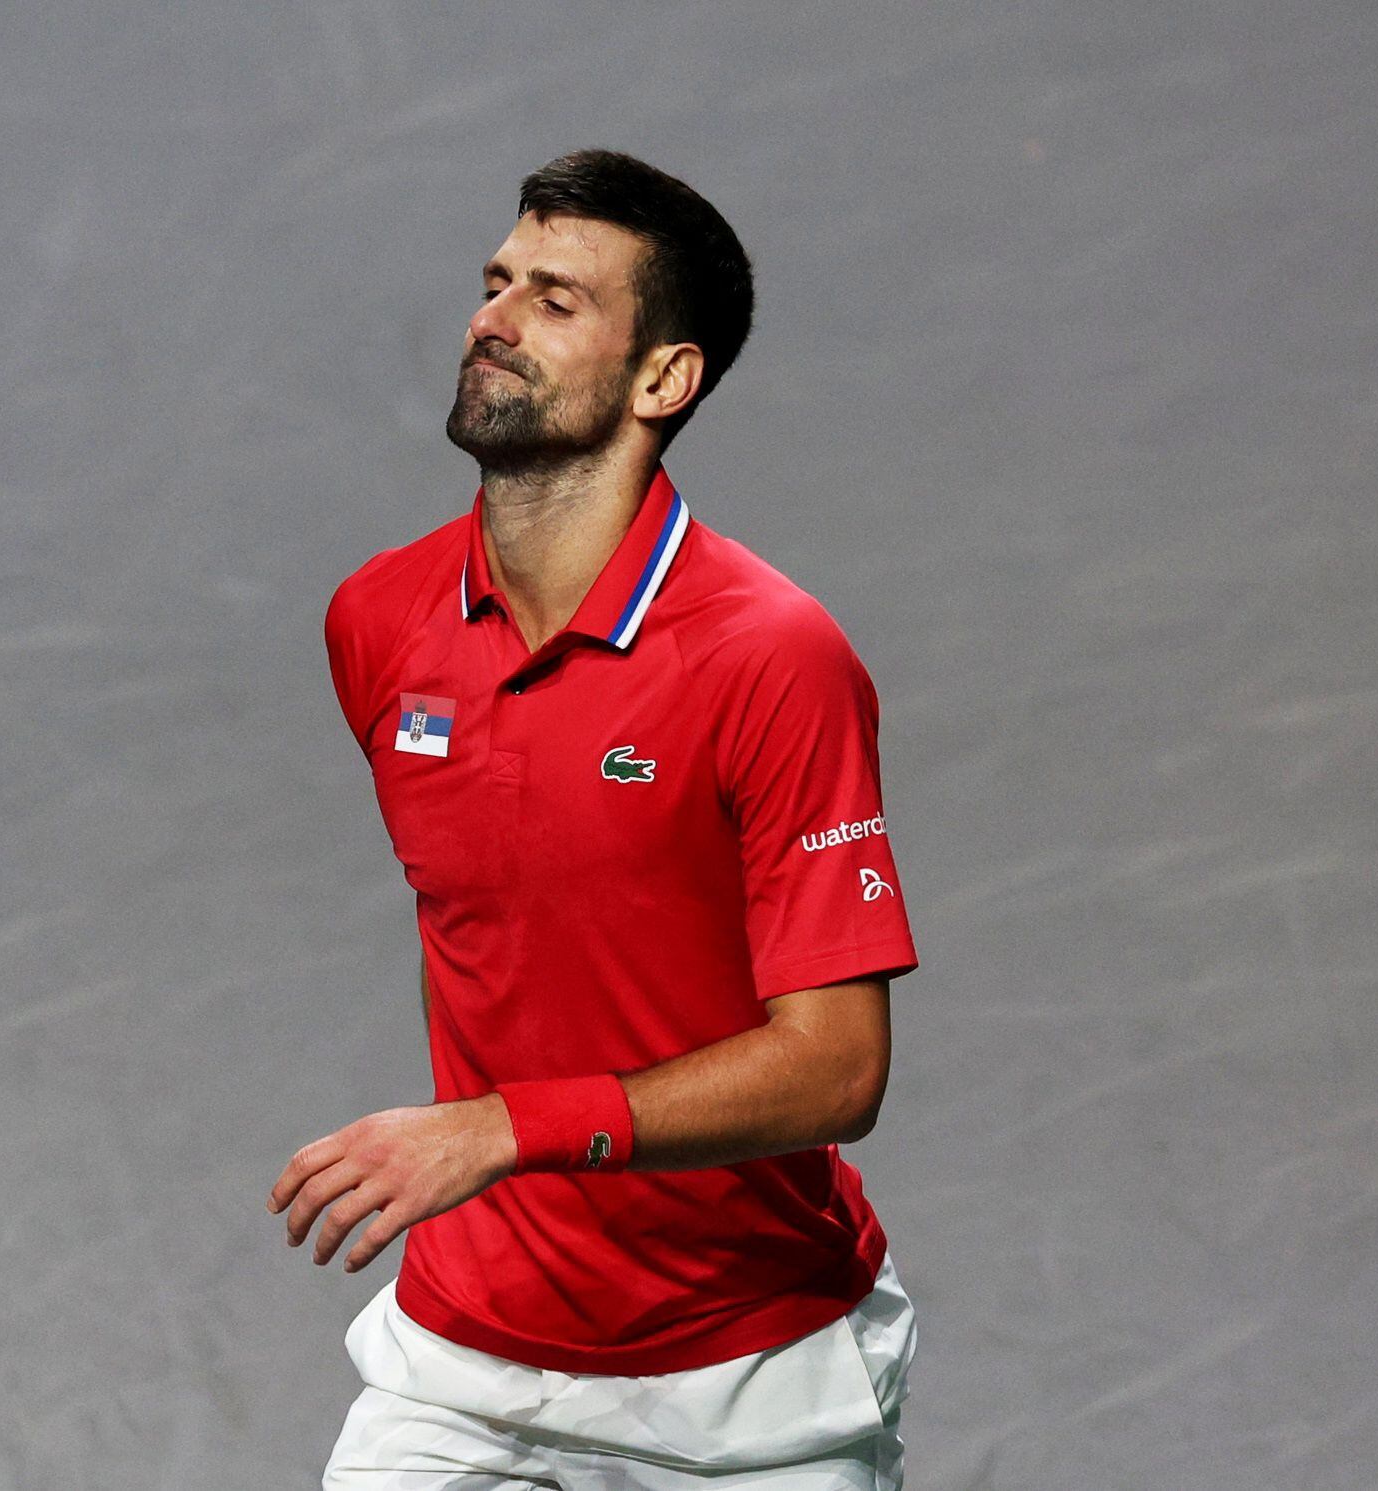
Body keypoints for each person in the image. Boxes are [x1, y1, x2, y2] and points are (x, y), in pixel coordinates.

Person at [268, 149, 922, 1489]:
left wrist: (504, 1128)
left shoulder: (769, 659)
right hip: (461, 1364)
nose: (494, 319)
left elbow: (839, 1070)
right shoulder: (381, 624)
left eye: (557, 302)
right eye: (496, 284)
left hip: (746, 1383)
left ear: (662, 381)